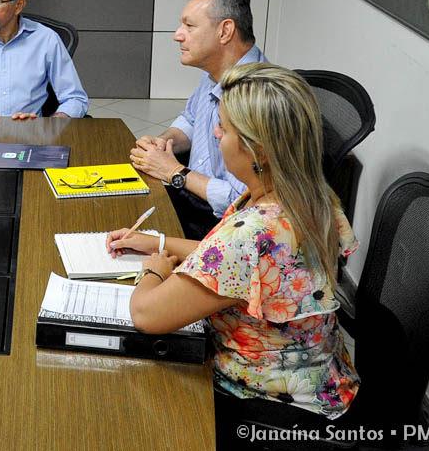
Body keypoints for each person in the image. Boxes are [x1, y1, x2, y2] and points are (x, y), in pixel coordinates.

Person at [107, 63, 359, 447]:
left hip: (268, 406)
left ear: (258, 150)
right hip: (323, 384)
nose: (215, 133)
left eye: (224, 129)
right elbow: (235, 266)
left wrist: (153, 270)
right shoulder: (310, 195)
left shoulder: (252, 233)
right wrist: (159, 243)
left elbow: (147, 315)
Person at [130, 0, 266, 239]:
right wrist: (163, 143)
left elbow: (244, 201)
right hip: (191, 195)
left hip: (223, 227)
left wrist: (173, 171)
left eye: (189, 26)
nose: (177, 35)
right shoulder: (216, 72)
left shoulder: (255, 98)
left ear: (225, 31)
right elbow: (191, 120)